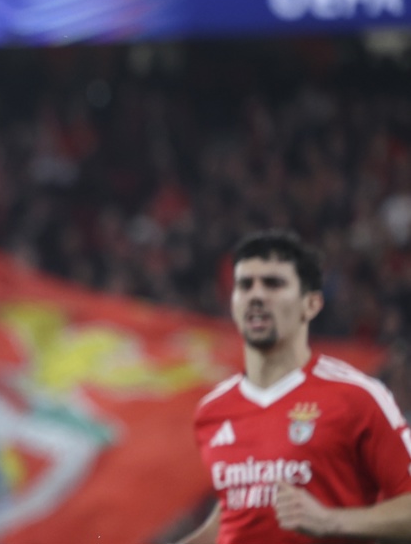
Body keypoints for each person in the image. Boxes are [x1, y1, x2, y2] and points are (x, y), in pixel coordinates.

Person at [175, 230, 411, 544]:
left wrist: (331, 521)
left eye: (273, 284)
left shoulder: (357, 396)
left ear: (311, 304)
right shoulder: (212, 411)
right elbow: (235, 519)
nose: (256, 295)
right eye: (245, 285)